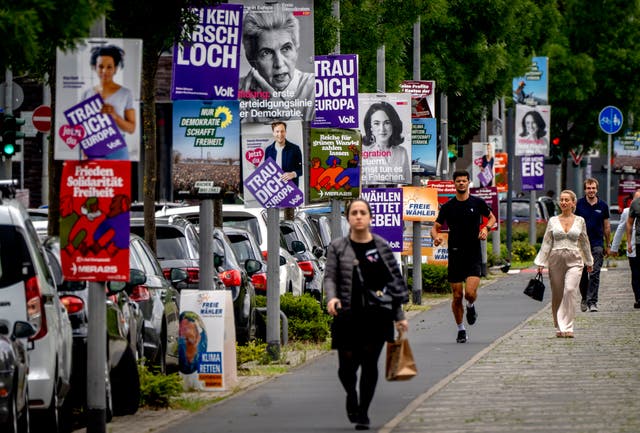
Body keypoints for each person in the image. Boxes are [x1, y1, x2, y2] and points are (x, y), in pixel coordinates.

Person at [324, 199, 409, 430]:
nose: (358, 216)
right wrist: (331, 297)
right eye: (354, 213)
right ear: (348, 218)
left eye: (363, 212)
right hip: (347, 315)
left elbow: (394, 283)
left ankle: (363, 411)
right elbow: (330, 277)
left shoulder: (381, 246)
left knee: (370, 364)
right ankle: (351, 395)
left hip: (377, 316)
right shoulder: (337, 247)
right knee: (347, 367)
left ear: (370, 217)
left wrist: (399, 315)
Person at [430, 170, 496, 343]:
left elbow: (492, 218)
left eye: (464, 181)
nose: (461, 183)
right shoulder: (448, 206)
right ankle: (461, 329)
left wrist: (485, 228)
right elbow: (435, 227)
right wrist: (436, 237)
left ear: (468, 183)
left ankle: (471, 305)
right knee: (457, 295)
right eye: (458, 181)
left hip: (473, 253)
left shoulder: (477, 202)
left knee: (470, 293)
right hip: (455, 253)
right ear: (454, 183)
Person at [535, 190, 594, 338]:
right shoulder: (553, 221)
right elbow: (547, 242)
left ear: (573, 203)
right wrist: (541, 261)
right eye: (561, 200)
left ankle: (568, 326)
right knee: (557, 294)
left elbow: (584, 242)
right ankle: (558, 326)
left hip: (575, 259)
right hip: (555, 260)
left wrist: (589, 261)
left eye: (567, 200)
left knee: (569, 290)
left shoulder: (580, 220)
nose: (564, 202)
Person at [239, 8, 314, 122]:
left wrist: (285, 113)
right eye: (266, 53)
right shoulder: (236, 92)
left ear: (296, 50)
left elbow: (328, 137)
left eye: (286, 48)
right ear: (252, 60)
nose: (279, 63)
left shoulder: (316, 89)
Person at [82, 44, 136, 160]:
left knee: (119, 178)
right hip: (94, 146)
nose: (104, 71)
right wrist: (84, 148)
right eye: (100, 66)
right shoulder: (87, 94)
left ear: (116, 68)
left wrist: (115, 116)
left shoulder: (125, 93)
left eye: (109, 67)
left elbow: (131, 128)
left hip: (117, 147)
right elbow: (82, 127)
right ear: (94, 67)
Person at [575, 178, 611, 312]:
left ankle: (592, 302)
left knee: (595, 272)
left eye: (593, 188)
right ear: (585, 189)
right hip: (580, 245)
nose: (591, 191)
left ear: (597, 189)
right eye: (588, 188)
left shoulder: (603, 206)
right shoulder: (578, 205)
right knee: (583, 273)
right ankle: (584, 297)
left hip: (597, 243)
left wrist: (608, 245)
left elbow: (607, 226)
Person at [362, 101, 411, 184]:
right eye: (376, 123)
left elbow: (406, 182)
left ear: (393, 125)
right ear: (370, 127)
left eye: (387, 123)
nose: (382, 129)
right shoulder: (363, 153)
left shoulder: (402, 152)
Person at [611, 190, 640, 308]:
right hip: (632, 247)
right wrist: (614, 248)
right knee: (636, 274)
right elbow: (620, 229)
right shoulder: (627, 212)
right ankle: (638, 298)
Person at [264, 121, 302, 187]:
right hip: (274, 188)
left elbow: (301, 170)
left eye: (282, 131)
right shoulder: (268, 150)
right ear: (273, 133)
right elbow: (266, 170)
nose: (280, 134)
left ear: (285, 132)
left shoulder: (295, 149)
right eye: (277, 131)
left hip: (291, 188)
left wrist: (293, 174)